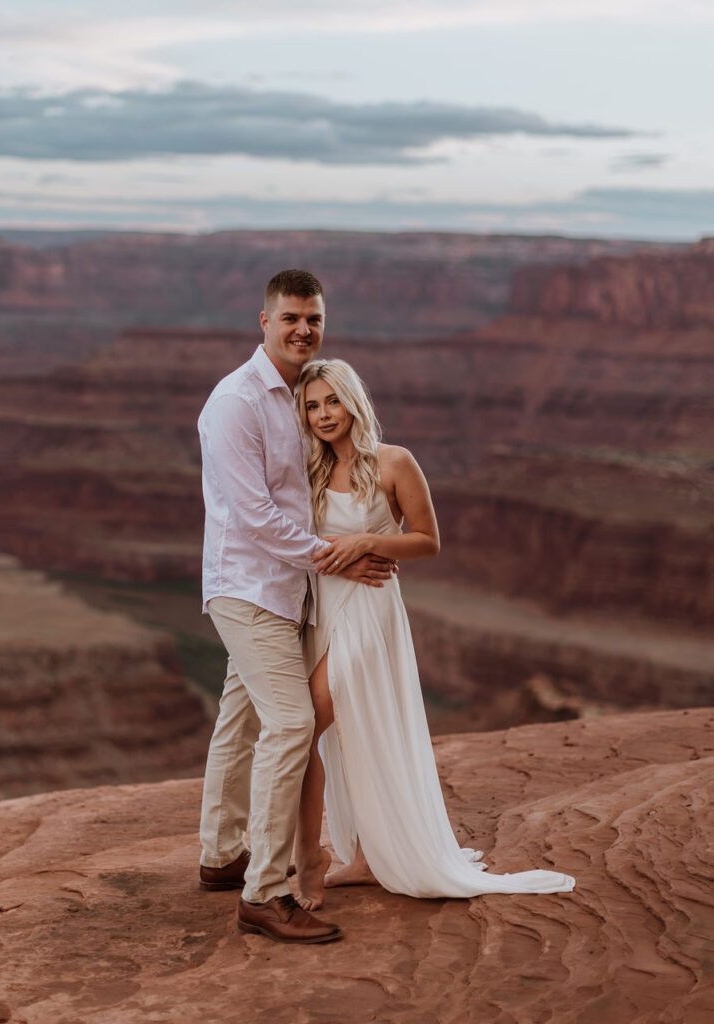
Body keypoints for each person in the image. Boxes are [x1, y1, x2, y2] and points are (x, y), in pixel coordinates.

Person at [292, 358, 576, 910]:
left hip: (370, 611)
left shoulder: (394, 461)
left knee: (307, 721)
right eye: (311, 406)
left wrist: (368, 545)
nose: (324, 414)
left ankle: (314, 857)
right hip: (323, 609)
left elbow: (427, 540)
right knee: (345, 733)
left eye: (331, 400)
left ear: (352, 401)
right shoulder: (310, 470)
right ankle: (366, 858)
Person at [196, 271, 394, 944]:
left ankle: (222, 857)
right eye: (290, 319)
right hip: (249, 587)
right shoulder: (237, 401)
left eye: (313, 319)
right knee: (291, 723)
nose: (303, 330)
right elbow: (253, 519)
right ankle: (264, 891)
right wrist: (338, 556)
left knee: (241, 717)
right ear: (264, 321)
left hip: (289, 592)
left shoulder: (299, 394)